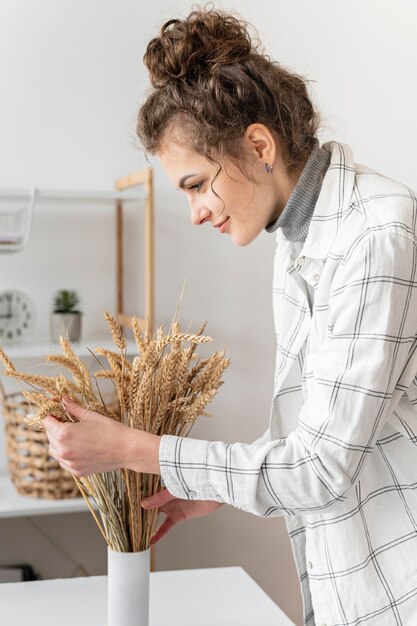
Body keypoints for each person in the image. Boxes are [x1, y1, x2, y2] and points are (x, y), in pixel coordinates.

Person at [44, 6, 417, 625]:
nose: (195, 211)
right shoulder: (298, 233)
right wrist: (209, 486)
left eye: (196, 184)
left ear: (258, 146)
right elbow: (329, 423)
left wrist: (134, 449)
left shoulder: (376, 234)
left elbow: (318, 470)